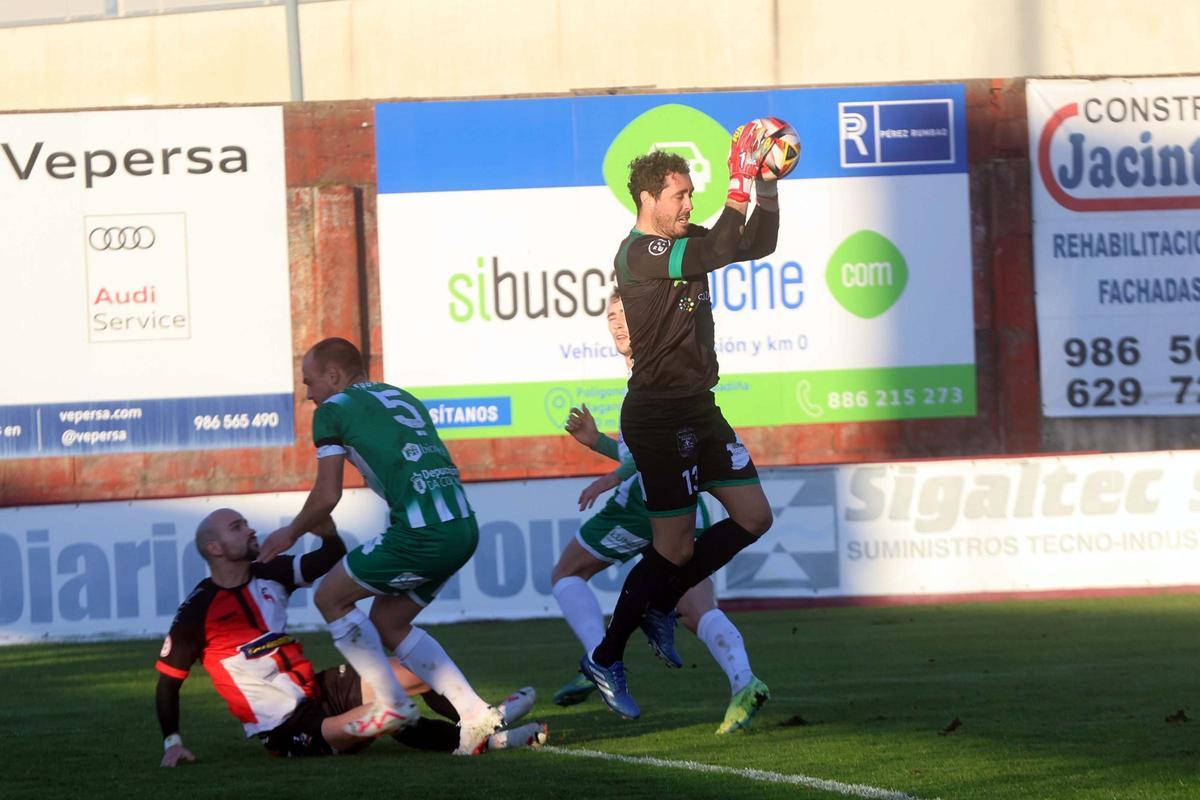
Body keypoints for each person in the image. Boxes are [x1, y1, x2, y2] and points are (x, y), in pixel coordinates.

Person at [579, 122, 782, 719]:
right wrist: (740, 182)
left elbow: (755, 245)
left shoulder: (682, 238)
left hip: (700, 406)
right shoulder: (639, 251)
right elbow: (722, 247)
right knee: (672, 549)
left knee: (754, 516)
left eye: (692, 194)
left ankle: (661, 605)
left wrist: (764, 187)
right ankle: (607, 654)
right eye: (680, 196)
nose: (690, 203)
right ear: (648, 199)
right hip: (658, 416)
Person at [257, 337, 529, 755]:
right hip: (462, 525)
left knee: (330, 596)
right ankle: (474, 713)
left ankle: (390, 703)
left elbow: (328, 494)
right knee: (389, 621)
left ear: (333, 375)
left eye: (310, 382)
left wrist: (289, 533)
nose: (307, 393)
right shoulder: (399, 395)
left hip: (422, 531)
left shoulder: (332, 411)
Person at [155, 508, 544, 766]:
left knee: (416, 671)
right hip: (284, 727)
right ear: (214, 548)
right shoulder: (196, 612)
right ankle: (486, 741)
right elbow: (168, 684)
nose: (249, 528)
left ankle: (479, 720)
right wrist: (173, 742)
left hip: (317, 691)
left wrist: (326, 531)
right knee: (389, 716)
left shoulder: (269, 573)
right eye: (237, 527)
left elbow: (329, 558)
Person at [551, 292, 769, 734]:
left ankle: (603, 658)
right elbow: (641, 450)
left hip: (644, 502)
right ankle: (609, 659)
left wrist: (613, 471)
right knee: (685, 597)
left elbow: (645, 452)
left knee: (575, 574)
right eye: (610, 317)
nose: (616, 324)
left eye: (624, 315)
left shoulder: (656, 369)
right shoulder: (640, 377)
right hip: (656, 492)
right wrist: (600, 446)